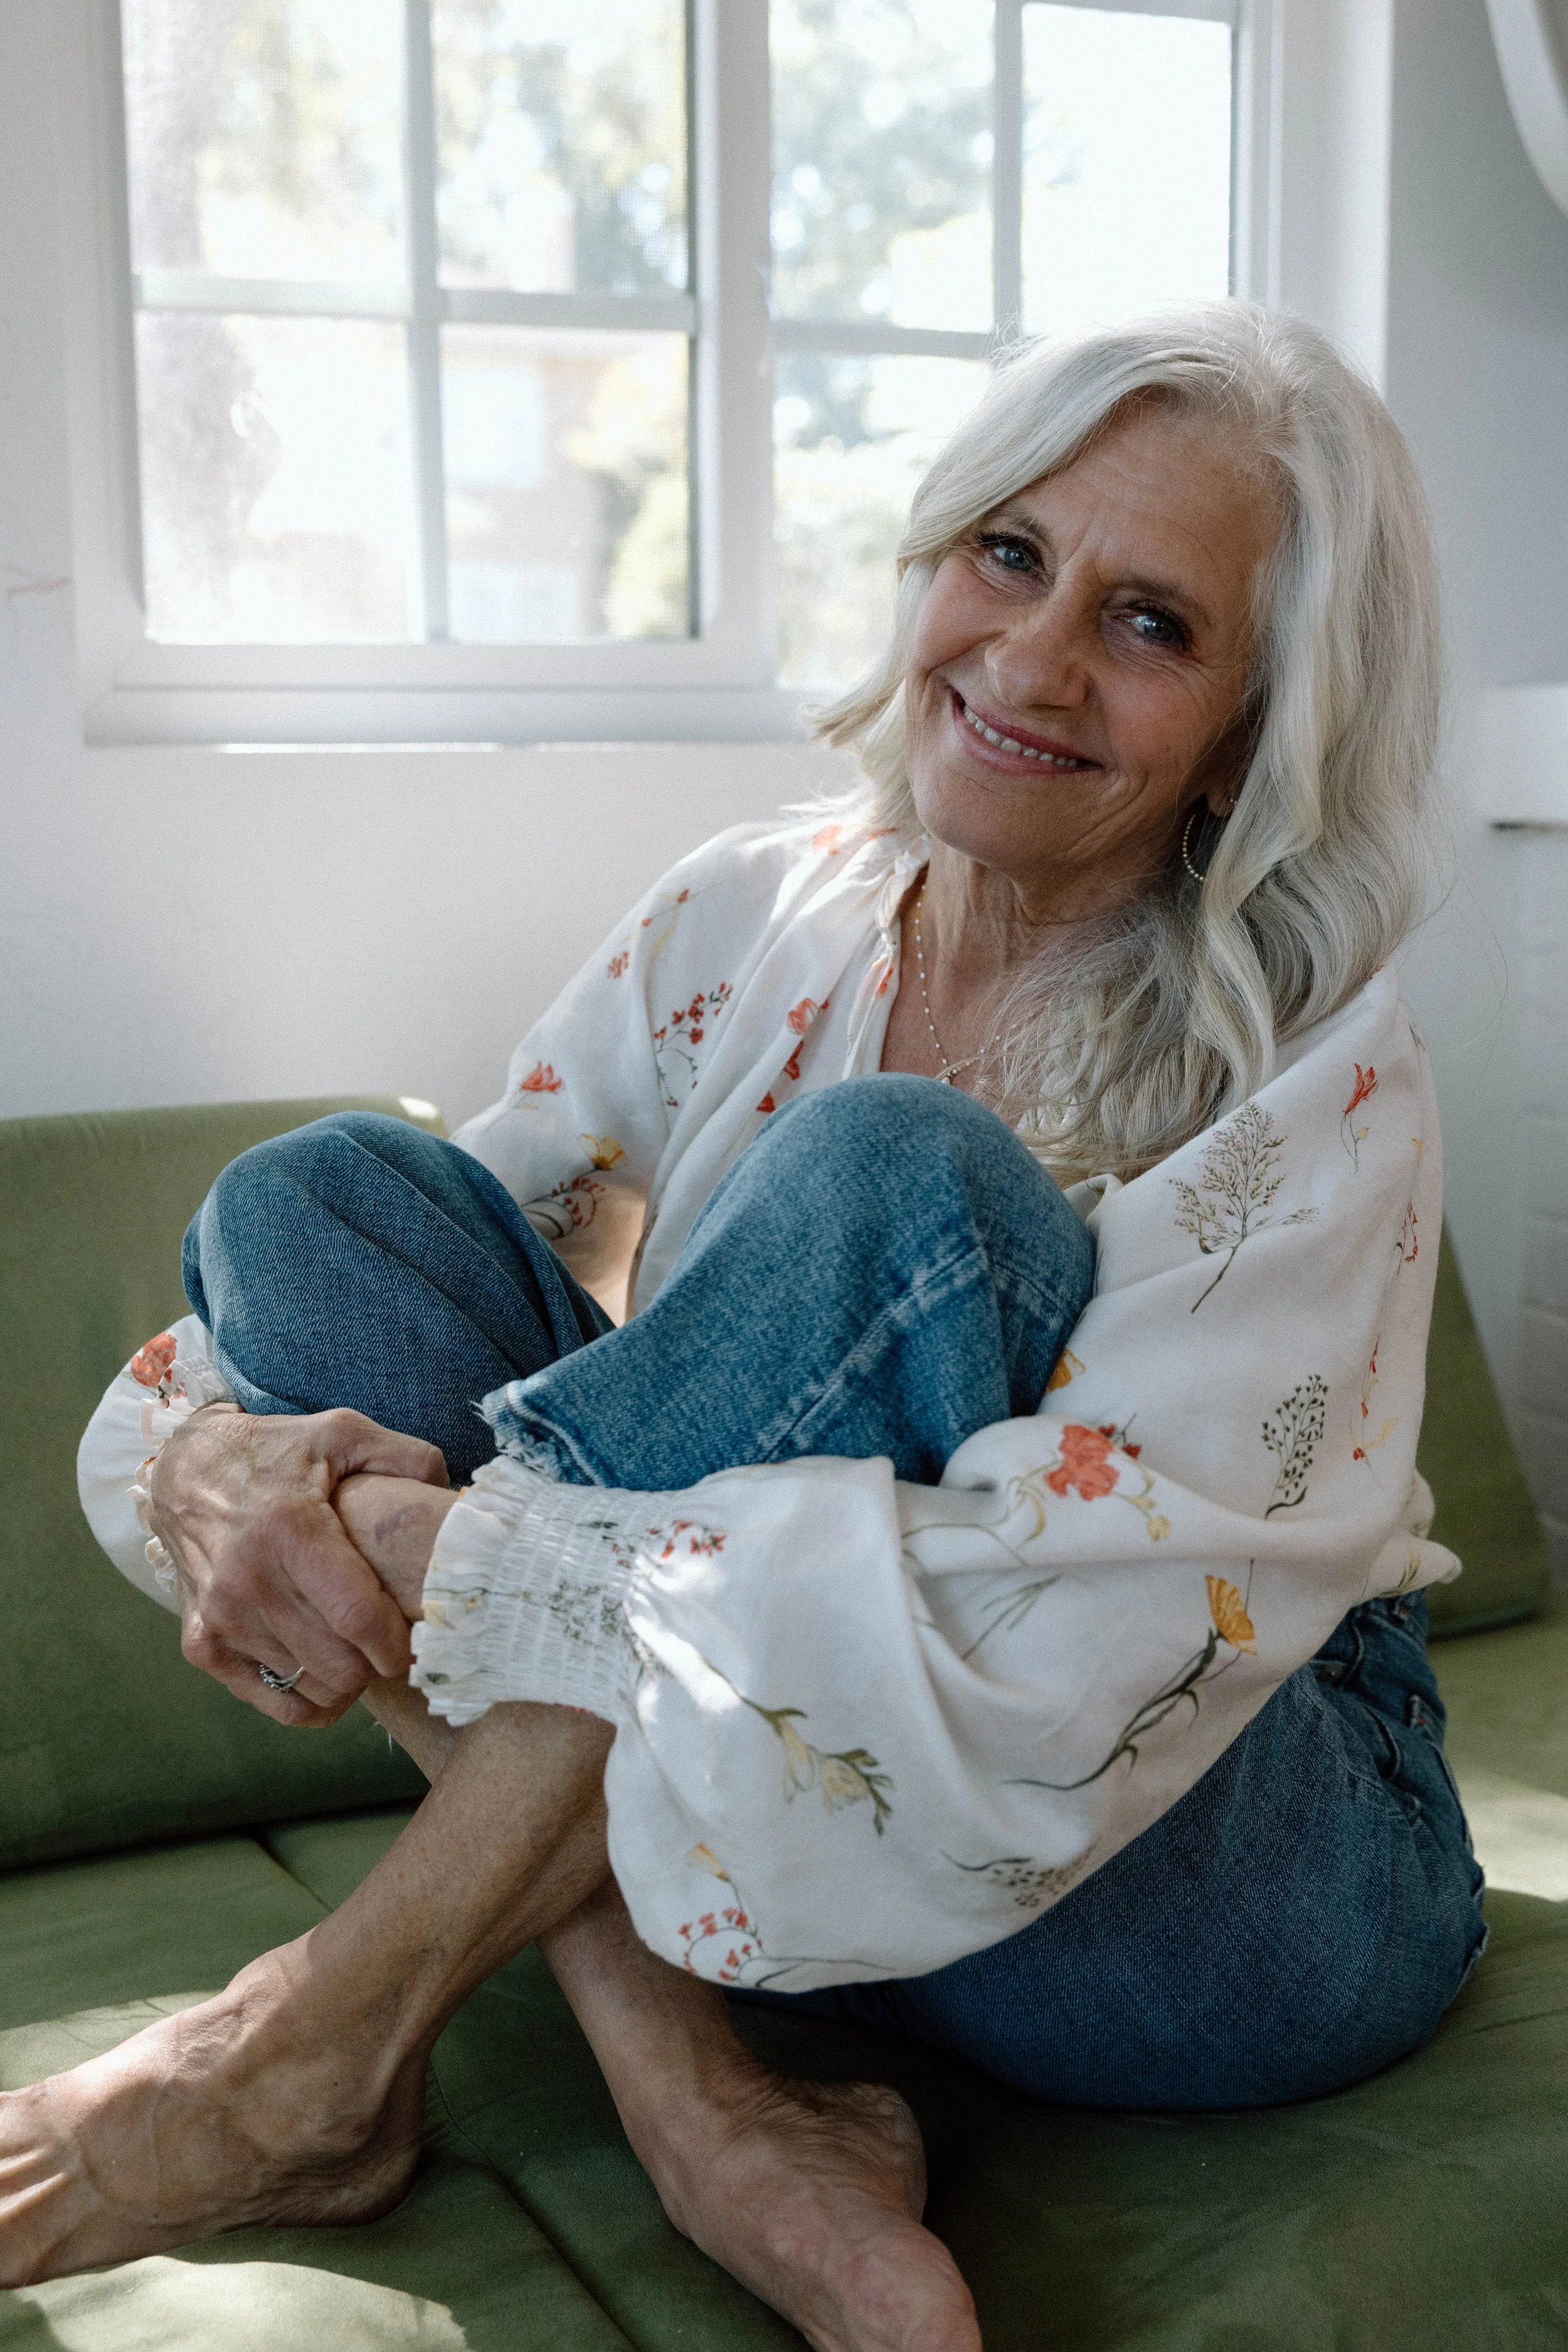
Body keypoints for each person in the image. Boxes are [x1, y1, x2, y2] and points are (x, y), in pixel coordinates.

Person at [5, 303, 1482, 2352]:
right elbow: (521, 1295)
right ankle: (698, 2085)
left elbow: (1087, 1652)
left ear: (1251, 720)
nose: (1032, 657)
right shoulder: (748, 917)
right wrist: (214, 1458)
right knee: (315, 1198)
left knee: (902, 1186)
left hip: (1200, 1879)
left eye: (1150, 623)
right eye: (1009, 553)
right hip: (791, 1831)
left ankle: (304, 2045)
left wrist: (472, 1546)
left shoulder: (1305, 1062)